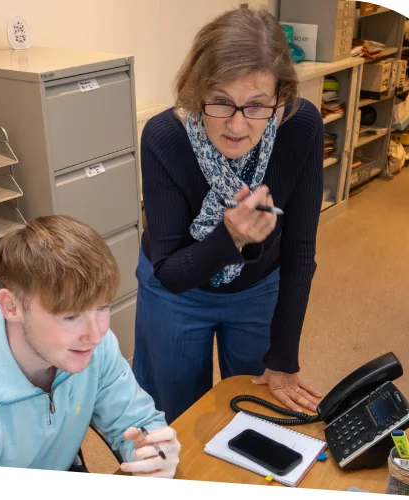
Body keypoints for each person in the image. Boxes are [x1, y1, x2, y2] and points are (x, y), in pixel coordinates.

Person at [133, 7, 324, 424]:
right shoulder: (165, 137)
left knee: (259, 415)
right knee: (175, 421)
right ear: (195, 91)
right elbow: (171, 271)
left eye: (256, 105)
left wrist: (284, 357)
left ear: (280, 100)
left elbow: (300, 252)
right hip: (176, 292)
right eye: (221, 101)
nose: (237, 126)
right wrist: (231, 237)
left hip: (257, 288)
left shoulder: (300, 126)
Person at [0, 215, 180, 478]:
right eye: (70, 316)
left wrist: (154, 452)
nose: (95, 335)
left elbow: (138, 421)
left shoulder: (91, 345)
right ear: (12, 306)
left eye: (102, 307)